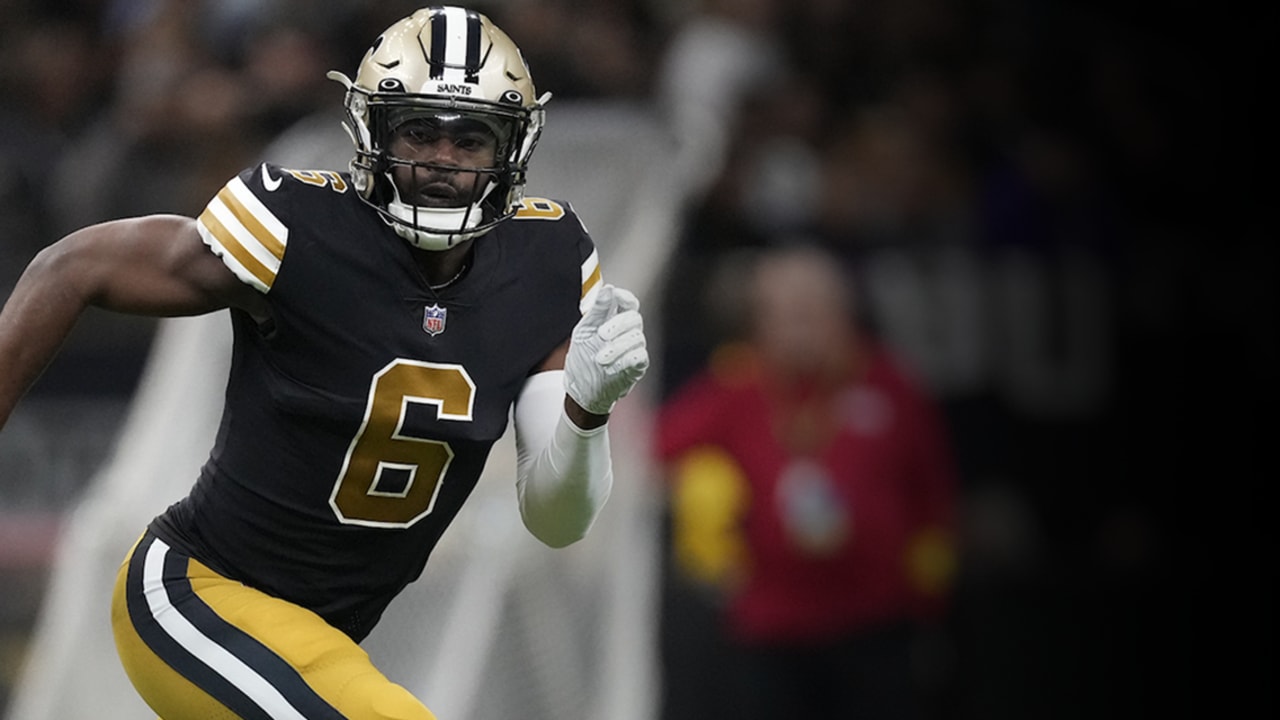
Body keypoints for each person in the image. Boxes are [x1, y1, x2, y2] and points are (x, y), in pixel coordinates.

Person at [0, 6, 649, 719]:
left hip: (315, 640)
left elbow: (557, 521)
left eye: (471, 139)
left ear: (510, 152)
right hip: (197, 594)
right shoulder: (297, 228)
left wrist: (587, 413)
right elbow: (69, 268)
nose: (441, 159)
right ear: (373, 132)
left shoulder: (546, 264)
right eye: (418, 130)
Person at [655, 244, 957, 720]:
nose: (800, 327)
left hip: (876, 624)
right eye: (786, 313)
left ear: (844, 313)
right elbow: (651, 448)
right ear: (760, 322)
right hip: (769, 630)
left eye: (813, 311)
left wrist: (928, 602)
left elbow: (935, 498)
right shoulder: (736, 387)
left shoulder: (891, 385)